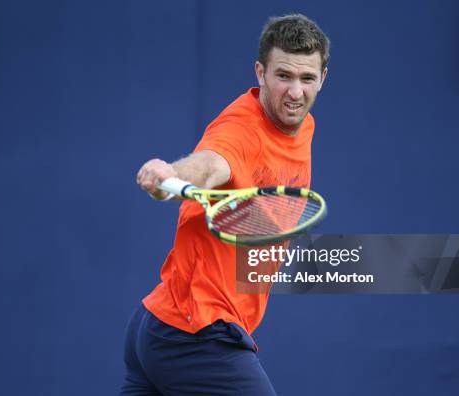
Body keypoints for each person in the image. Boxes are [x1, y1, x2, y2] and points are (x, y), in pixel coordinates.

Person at [122, 14, 330, 395]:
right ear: (260, 72)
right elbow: (212, 163)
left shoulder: (303, 125)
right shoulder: (240, 130)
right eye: (283, 75)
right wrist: (170, 176)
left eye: (307, 79)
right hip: (194, 332)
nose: (295, 92)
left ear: (322, 78)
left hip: (159, 323)